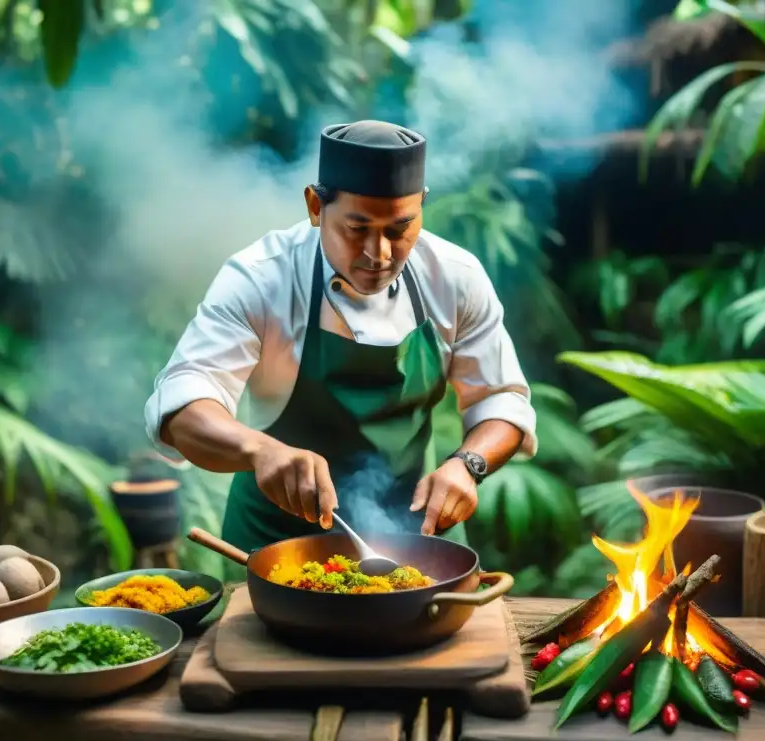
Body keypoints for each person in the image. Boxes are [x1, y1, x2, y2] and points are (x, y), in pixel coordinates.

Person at [145, 120, 536, 553]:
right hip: (275, 547)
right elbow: (184, 400)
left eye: (398, 229)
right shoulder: (260, 278)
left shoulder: (455, 277)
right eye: (357, 228)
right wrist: (260, 451)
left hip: (419, 546)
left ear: (421, 206)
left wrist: (468, 465)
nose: (379, 253)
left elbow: (501, 399)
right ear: (316, 206)